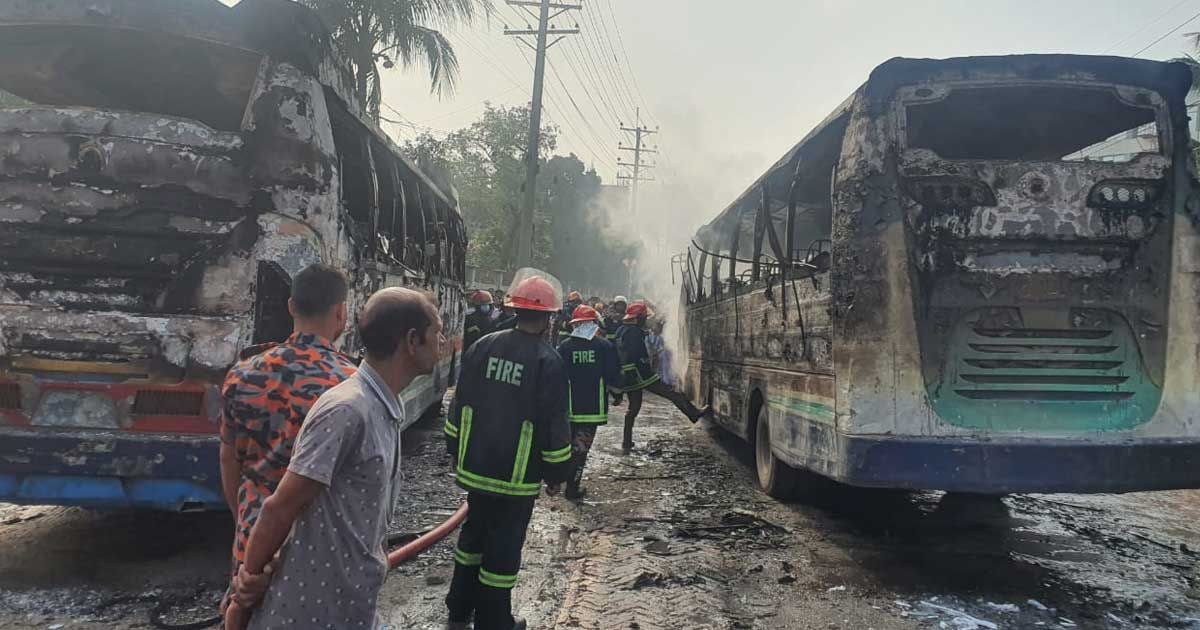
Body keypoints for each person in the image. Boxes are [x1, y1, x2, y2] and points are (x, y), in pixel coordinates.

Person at [224, 288, 446, 630]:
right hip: (307, 612)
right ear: (412, 341)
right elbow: (280, 506)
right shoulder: (347, 410)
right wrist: (244, 592)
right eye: (437, 332)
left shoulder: (380, 407)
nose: (443, 342)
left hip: (348, 606)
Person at [217, 263, 357, 610]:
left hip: (252, 539)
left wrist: (246, 519)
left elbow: (228, 458)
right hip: (318, 546)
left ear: (291, 307)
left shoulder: (243, 373)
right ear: (341, 313)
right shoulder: (350, 386)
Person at [443, 275, 572, 630]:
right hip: (515, 478)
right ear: (548, 318)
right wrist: (558, 474)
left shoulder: (483, 346)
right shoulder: (549, 360)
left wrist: (454, 447)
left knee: (472, 538)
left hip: (477, 467)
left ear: (512, 309)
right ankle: (494, 621)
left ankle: (458, 610)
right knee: (503, 547)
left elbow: (460, 402)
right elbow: (555, 424)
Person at [616, 302, 711, 453]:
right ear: (638, 317)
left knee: (633, 409)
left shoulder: (622, 330)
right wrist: (649, 370)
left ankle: (626, 442)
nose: (645, 320)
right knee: (671, 392)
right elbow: (636, 354)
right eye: (644, 317)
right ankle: (693, 413)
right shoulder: (633, 332)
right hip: (639, 373)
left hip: (628, 375)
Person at [555, 305, 621, 500]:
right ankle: (572, 489)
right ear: (593, 323)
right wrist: (618, 395)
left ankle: (559, 481)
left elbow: (556, 376)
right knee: (581, 451)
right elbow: (614, 374)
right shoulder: (604, 346)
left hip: (570, 409)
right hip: (592, 410)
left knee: (567, 447)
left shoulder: (564, 347)